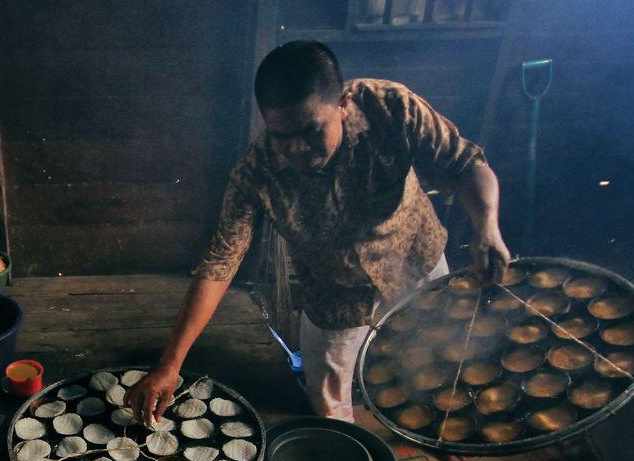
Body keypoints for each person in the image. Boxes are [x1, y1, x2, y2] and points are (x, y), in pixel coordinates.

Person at [126, 40, 510, 426]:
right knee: (329, 404)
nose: (296, 149)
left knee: (434, 357)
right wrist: (169, 365)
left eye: (311, 131)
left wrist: (486, 226)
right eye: (280, 135)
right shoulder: (256, 173)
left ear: (343, 104)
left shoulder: (391, 107)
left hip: (415, 259)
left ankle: (438, 432)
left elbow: (466, 165)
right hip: (333, 292)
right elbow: (218, 266)